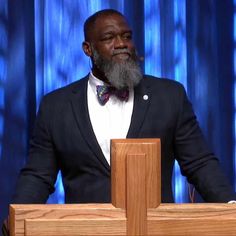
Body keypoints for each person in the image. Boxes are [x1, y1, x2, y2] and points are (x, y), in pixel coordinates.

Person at [12, 9, 236, 204]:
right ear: (88, 49)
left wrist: (229, 204)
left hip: (154, 230)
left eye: (126, 36)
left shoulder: (169, 96)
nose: (121, 44)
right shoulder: (56, 106)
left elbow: (199, 163)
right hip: (88, 231)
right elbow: (38, 176)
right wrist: (18, 217)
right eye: (109, 37)